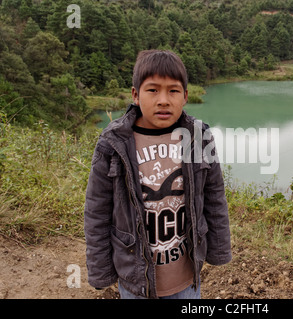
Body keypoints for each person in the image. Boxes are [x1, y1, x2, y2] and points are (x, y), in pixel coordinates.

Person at [84, 50, 232, 299]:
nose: (163, 100)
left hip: (186, 278)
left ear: (185, 96)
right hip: (135, 278)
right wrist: (101, 272)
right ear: (135, 95)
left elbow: (214, 197)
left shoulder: (199, 137)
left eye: (173, 91)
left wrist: (218, 251)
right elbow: (97, 212)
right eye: (153, 90)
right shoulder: (113, 143)